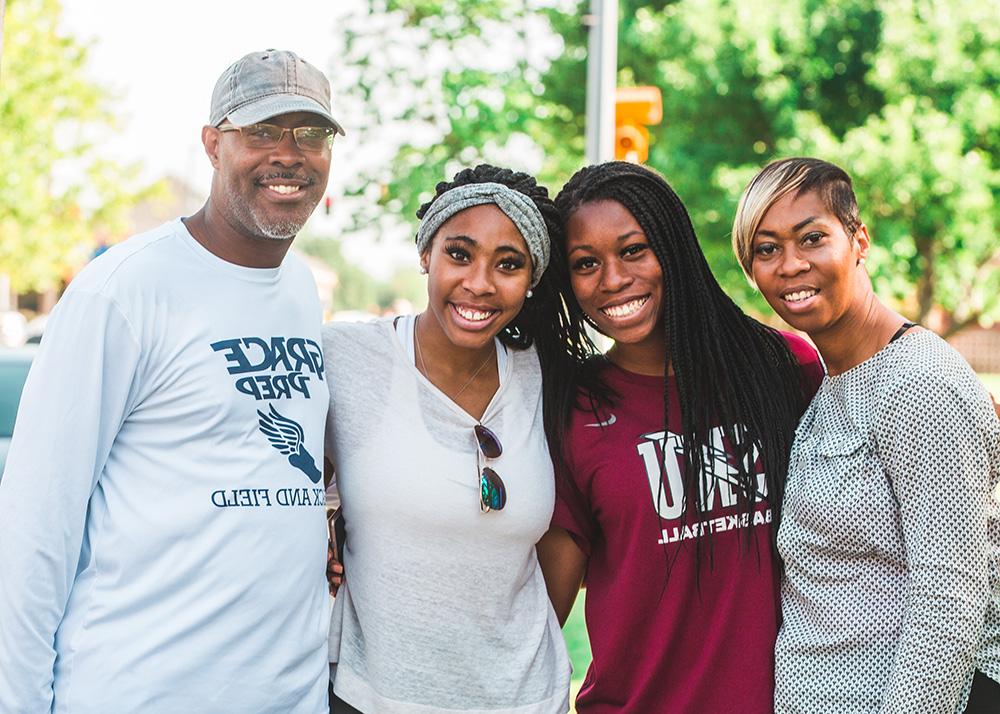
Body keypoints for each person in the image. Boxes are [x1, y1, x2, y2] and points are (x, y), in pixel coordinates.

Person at [0, 49, 344, 713]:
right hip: (142, 690)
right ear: (213, 144)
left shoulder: (300, 287)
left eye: (312, 133)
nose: (291, 154)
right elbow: (35, 528)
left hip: (288, 693)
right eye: (264, 131)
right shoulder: (125, 290)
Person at [535, 161, 824, 713]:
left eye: (634, 250)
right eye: (586, 263)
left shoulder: (784, 368)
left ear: (673, 247)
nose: (613, 279)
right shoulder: (574, 410)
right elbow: (542, 609)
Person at [731, 156, 1000, 713]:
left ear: (859, 241)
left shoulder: (919, 383)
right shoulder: (831, 387)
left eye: (812, 238)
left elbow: (950, 599)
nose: (790, 265)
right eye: (767, 249)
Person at [322, 165, 577, 713]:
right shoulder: (343, 358)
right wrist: (317, 532)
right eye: (459, 254)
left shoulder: (547, 377)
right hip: (375, 696)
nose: (480, 283)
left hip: (528, 700)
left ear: (532, 279)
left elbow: (570, 534)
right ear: (425, 256)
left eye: (509, 265)